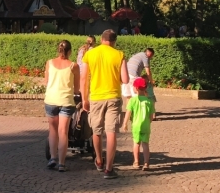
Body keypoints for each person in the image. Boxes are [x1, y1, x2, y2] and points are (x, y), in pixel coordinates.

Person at [81, 29, 129, 178]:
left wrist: (84, 98)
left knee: (97, 130)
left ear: (101, 39)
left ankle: (99, 160)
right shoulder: (119, 55)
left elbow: (84, 78)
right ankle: (109, 168)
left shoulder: (90, 54)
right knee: (111, 131)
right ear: (114, 41)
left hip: (96, 97)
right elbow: (126, 79)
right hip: (113, 96)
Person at [44, 40, 80, 172]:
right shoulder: (73, 66)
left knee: (52, 130)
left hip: (51, 99)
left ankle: (52, 158)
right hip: (66, 101)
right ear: (70, 51)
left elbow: (46, 81)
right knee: (63, 131)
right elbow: (77, 88)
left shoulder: (49, 63)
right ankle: (62, 163)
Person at [122, 77, 156, 169]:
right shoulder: (149, 101)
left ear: (135, 88)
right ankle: (146, 163)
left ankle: (136, 162)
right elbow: (152, 116)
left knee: (136, 143)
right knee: (145, 144)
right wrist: (148, 122)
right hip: (146, 125)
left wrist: (125, 123)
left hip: (136, 125)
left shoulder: (132, 100)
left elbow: (128, 113)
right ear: (145, 88)